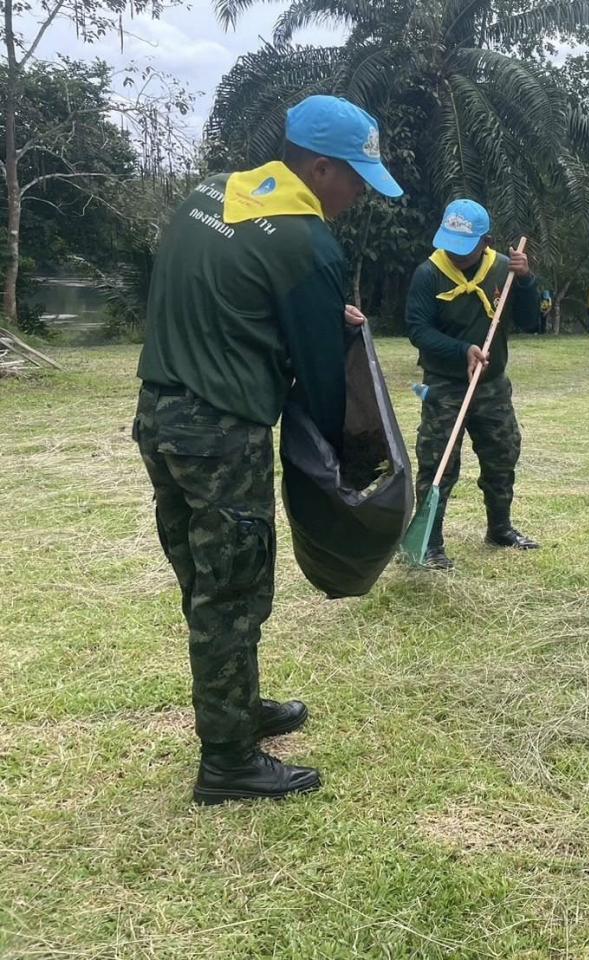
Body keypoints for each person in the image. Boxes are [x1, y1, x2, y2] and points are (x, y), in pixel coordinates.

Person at [134, 95, 403, 804]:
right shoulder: (306, 243)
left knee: (206, 579)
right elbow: (318, 380)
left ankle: (238, 708)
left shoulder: (206, 198)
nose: (356, 198)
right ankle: (227, 762)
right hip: (223, 434)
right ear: (319, 167)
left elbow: (224, 296)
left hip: (160, 420)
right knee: (234, 594)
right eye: (354, 181)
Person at [405, 198, 541, 571]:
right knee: (437, 464)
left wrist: (526, 281)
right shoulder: (428, 274)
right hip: (446, 385)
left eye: (465, 248)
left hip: (491, 385)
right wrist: (462, 350)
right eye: (450, 244)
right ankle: (429, 543)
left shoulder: (505, 270)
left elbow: (530, 322)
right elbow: (418, 330)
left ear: (487, 241)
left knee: (502, 456)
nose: (456, 254)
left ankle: (500, 529)